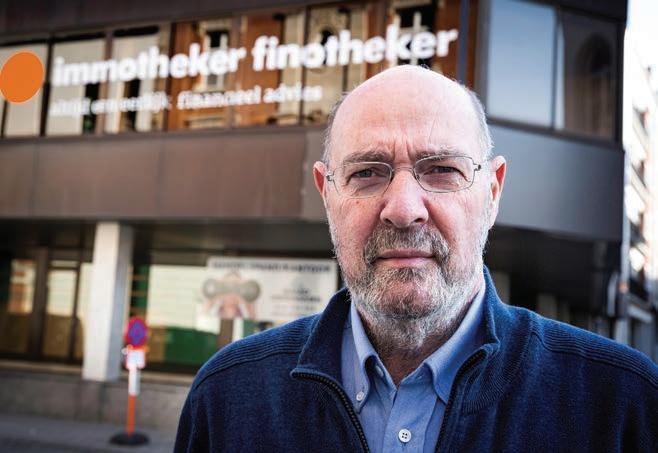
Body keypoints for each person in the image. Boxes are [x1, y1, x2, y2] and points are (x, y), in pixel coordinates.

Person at [175, 65, 658, 452]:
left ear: (493, 192)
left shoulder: (623, 404)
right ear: (327, 195)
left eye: (442, 169)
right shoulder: (227, 397)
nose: (404, 210)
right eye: (367, 172)